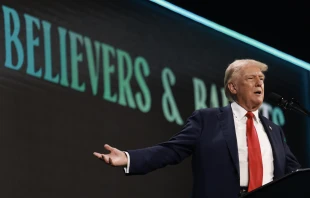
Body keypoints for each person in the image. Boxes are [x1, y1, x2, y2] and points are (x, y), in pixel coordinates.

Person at [93, 59, 300, 198]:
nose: (259, 83)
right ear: (233, 87)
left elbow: (294, 174)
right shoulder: (207, 120)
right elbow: (172, 150)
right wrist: (129, 158)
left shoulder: (274, 130)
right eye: (250, 78)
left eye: (262, 79)